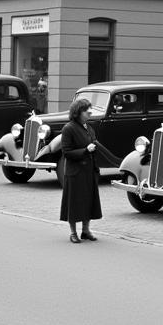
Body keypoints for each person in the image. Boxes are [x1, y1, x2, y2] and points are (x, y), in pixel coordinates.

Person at [59, 97, 102, 243]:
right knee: (74, 203)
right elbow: (66, 152)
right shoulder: (68, 128)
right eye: (86, 110)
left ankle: (85, 230)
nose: (90, 112)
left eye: (90, 108)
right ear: (78, 112)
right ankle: (73, 233)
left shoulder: (89, 128)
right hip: (75, 173)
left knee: (88, 201)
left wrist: (96, 169)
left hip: (89, 171)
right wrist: (85, 150)